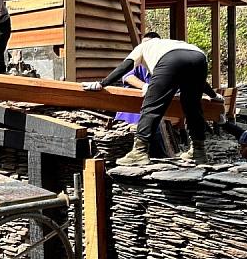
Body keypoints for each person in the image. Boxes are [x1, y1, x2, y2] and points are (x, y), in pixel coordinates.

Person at [82, 32, 222, 166]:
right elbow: (201, 81)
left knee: (152, 106)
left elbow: (126, 66)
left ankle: (139, 152)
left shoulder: (143, 46)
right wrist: (213, 96)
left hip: (170, 60)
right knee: (192, 106)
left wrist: (102, 83)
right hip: (199, 57)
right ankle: (199, 152)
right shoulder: (170, 43)